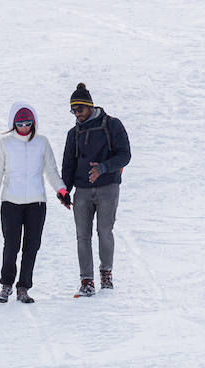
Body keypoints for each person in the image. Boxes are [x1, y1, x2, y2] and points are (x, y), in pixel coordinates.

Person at [0, 102, 71, 304]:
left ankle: (23, 287)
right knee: (11, 245)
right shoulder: (5, 144)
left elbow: (51, 170)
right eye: (20, 123)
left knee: (31, 246)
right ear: (13, 124)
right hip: (11, 203)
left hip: (36, 204)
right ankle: (6, 285)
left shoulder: (42, 143)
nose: (24, 127)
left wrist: (61, 190)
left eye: (28, 123)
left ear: (34, 123)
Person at [61, 82, 131, 296]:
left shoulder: (112, 125)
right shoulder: (73, 133)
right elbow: (68, 165)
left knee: (104, 231)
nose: (76, 113)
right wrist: (64, 190)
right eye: (73, 110)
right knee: (82, 235)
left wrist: (103, 168)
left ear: (89, 106)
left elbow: (125, 155)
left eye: (79, 109)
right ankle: (87, 281)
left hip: (108, 188)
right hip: (81, 191)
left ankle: (106, 275)